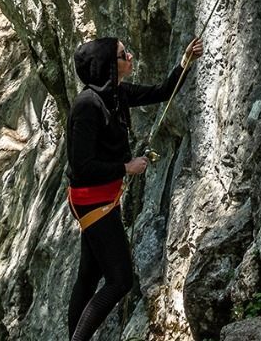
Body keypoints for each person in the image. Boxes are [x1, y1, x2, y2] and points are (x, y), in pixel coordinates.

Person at [66, 34, 205, 341]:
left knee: (89, 276)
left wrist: (186, 61)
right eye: (122, 54)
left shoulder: (117, 94)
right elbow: (82, 166)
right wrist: (126, 168)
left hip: (102, 197)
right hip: (92, 200)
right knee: (120, 280)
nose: (129, 57)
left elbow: (162, 92)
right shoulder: (87, 107)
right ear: (107, 65)